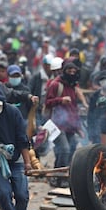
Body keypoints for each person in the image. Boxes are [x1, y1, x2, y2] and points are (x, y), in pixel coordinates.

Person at [45, 59, 83, 188]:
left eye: (74, 71)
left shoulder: (73, 86)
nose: (72, 73)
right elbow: (47, 102)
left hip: (70, 125)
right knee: (64, 149)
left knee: (71, 149)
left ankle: (61, 176)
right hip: (57, 124)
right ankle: (59, 177)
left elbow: (74, 109)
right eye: (69, 70)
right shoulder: (56, 85)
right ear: (63, 71)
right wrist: (60, 100)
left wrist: (78, 127)